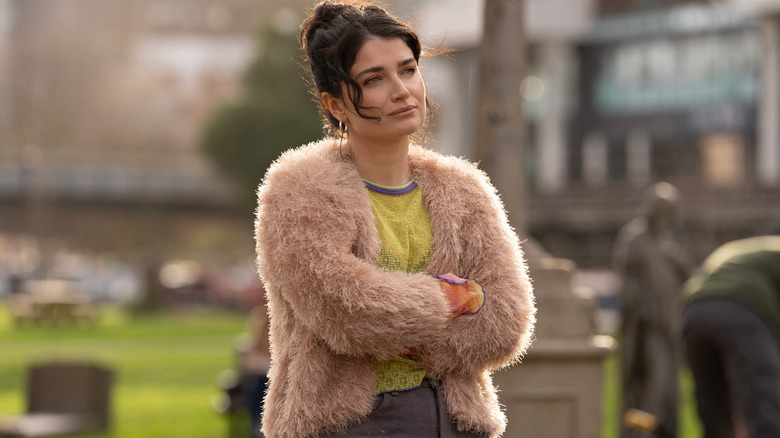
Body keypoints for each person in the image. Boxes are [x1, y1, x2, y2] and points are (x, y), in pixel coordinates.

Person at [253, 2, 536, 437]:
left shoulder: (464, 189)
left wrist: (405, 327)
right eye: (374, 79)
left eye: (408, 70)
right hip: (349, 423)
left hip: (456, 420)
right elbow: (348, 309)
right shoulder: (298, 191)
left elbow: (507, 320)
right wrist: (454, 298)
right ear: (336, 104)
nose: (402, 90)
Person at [612, 182, 694, 438]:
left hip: (670, 325)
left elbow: (688, 279)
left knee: (670, 389)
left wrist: (680, 264)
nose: (664, 218)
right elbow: (625, 277)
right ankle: (640, 432)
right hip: (647, 326)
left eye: (669, 212)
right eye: (661, 211)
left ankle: (663, 431)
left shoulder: (669, 243)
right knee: (653, 382)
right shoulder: (634, 237)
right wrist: (641, 305)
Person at [681, 235, 780, 438]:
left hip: (693, 311)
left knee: (716, 418)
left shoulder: (752, 250)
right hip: (742, 306)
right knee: (765, 410)